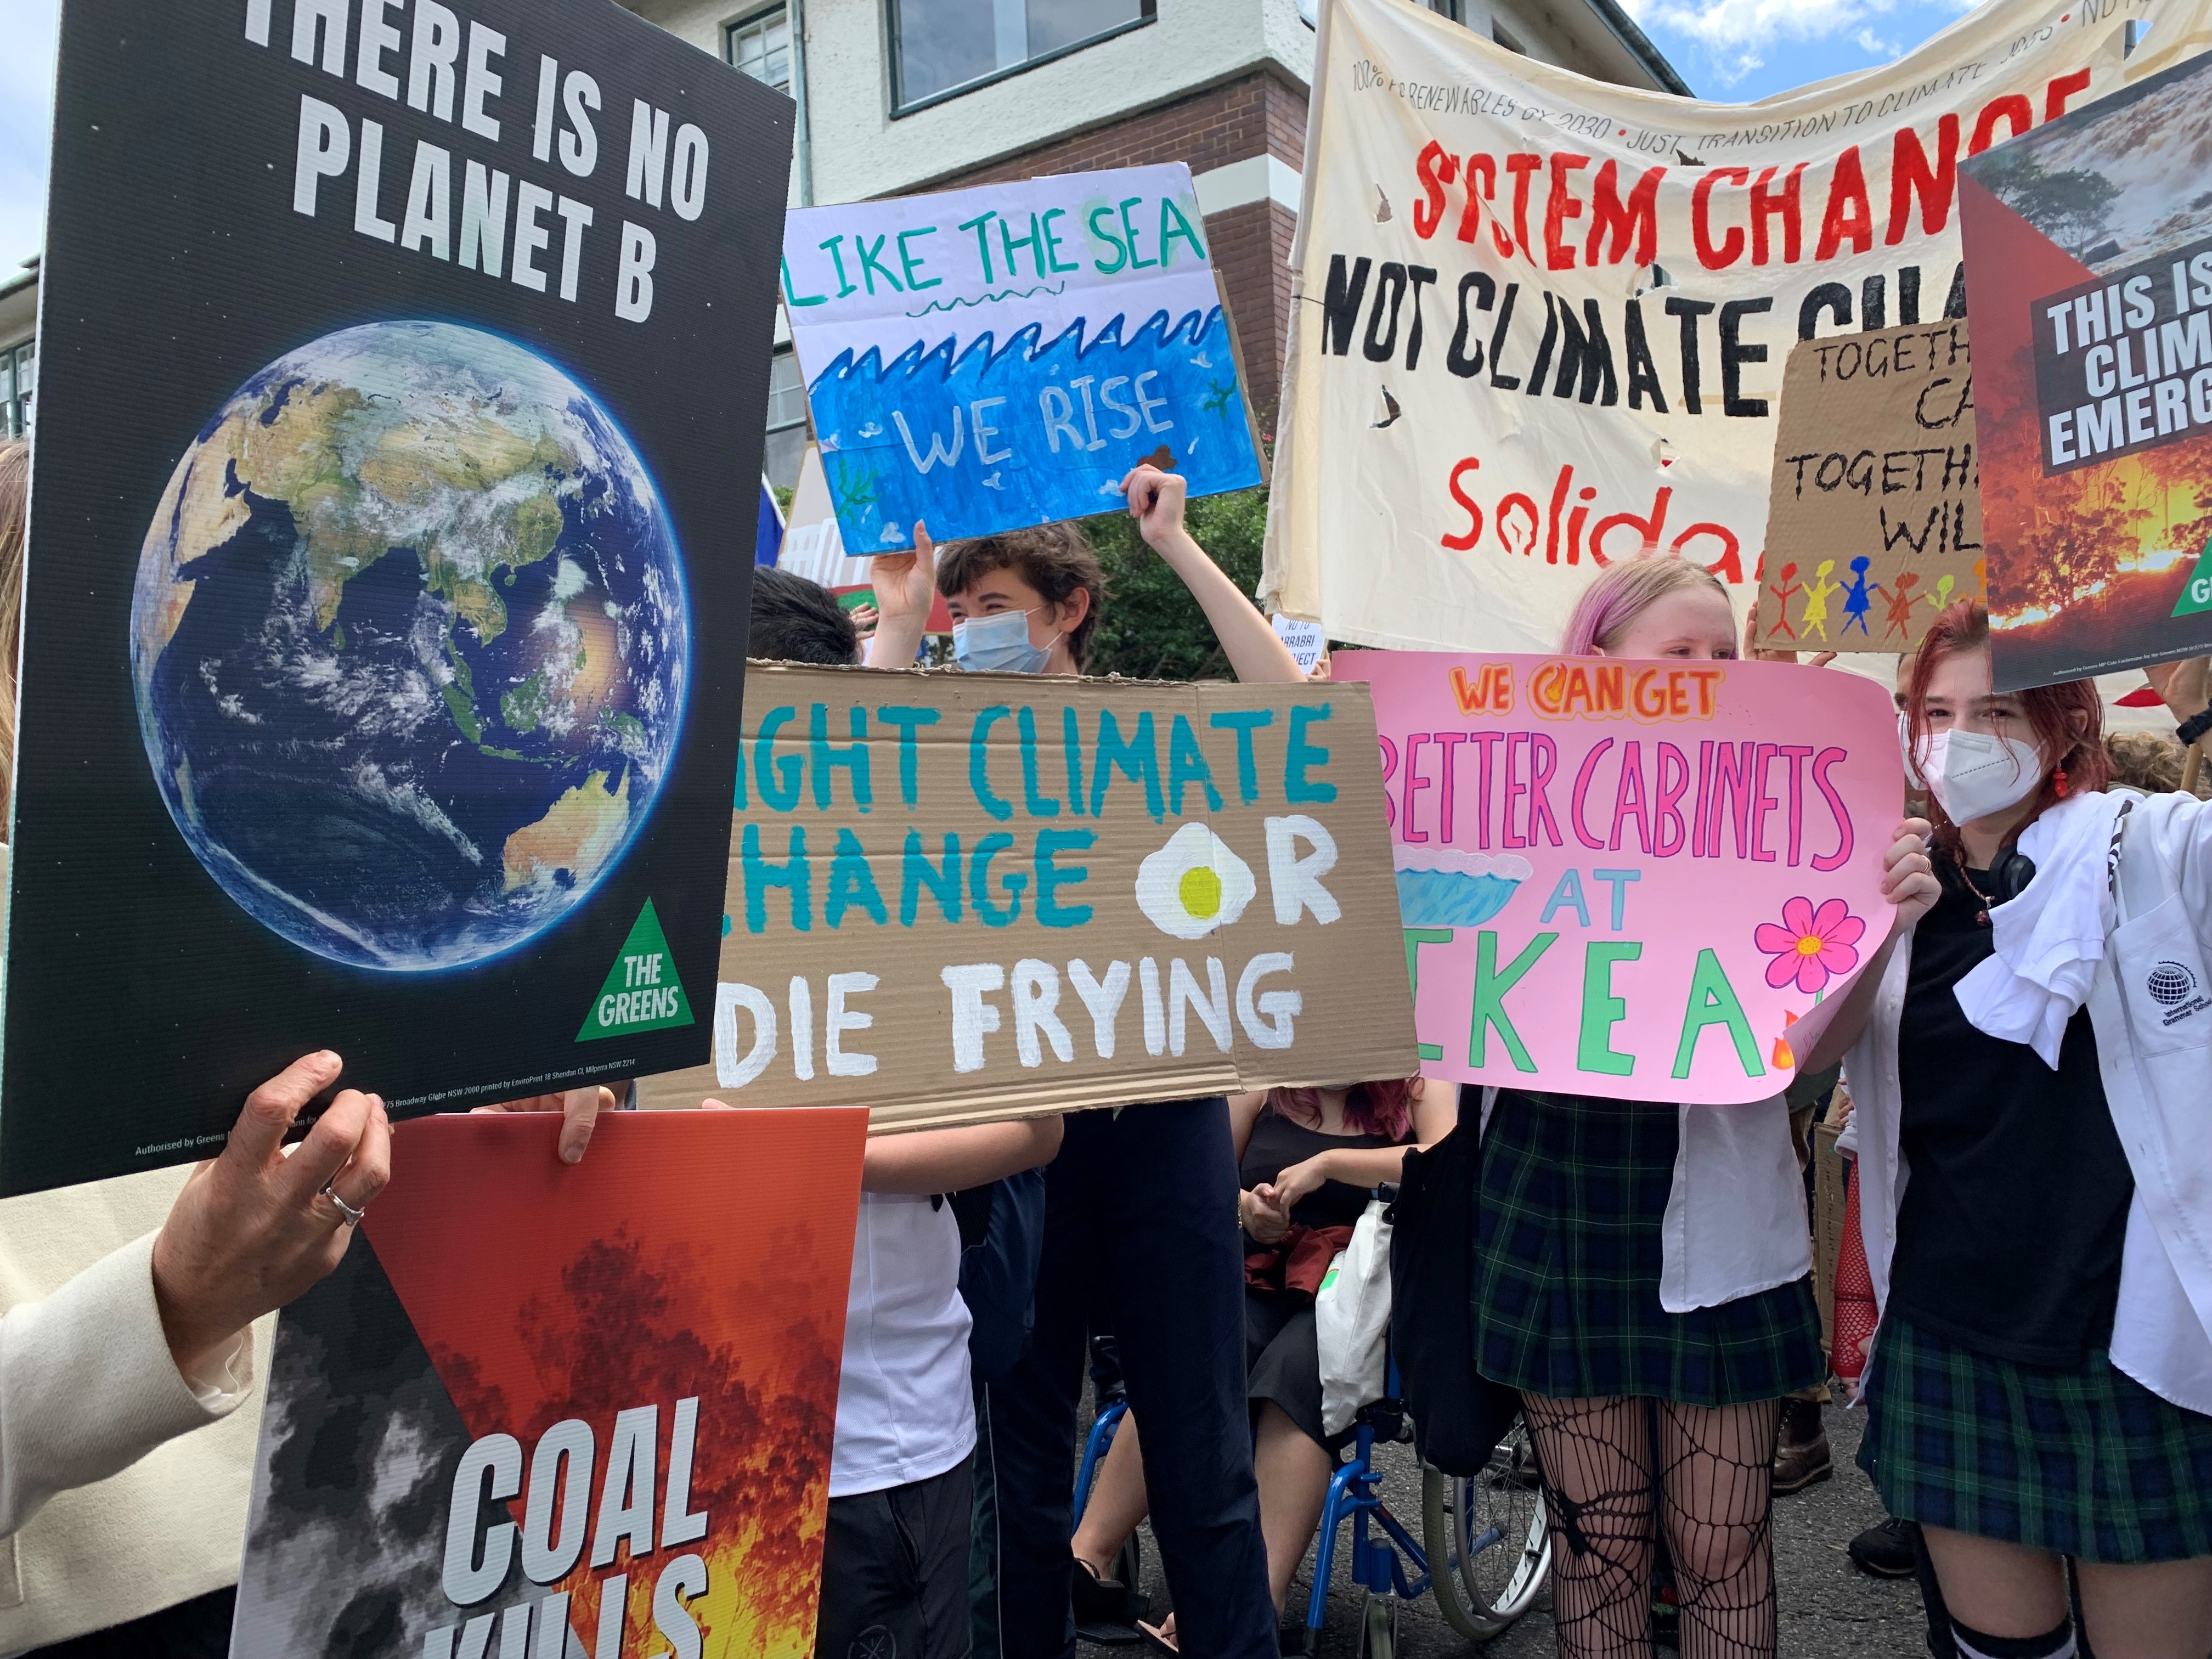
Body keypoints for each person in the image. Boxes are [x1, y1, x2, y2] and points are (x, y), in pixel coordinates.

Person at [0, 439, 602, 1657]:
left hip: (376, 1542)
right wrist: (172, 1304)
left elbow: (344, 1201)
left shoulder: (287, 896)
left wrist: (496, 1108)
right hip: (114, 1606)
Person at [863, 469, 1303, 1659]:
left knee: (1202, 1454)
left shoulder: (1153, 736)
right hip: (1014, 1145)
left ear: (1068, 609)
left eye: (995, 603)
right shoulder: (940, 747)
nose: (978, 632)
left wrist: (1178, 548)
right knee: (1022, 1462)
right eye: (964, 615)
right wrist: (902, 623)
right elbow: (827, 779)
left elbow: (1295, 717)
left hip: (1160, 1131)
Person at [1801, 602, 2212, 1659]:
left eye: (1993, 709)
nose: (1957, 738)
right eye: (1932, 711)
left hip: (2127, 1347)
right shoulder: (1883, 878)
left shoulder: (2149, 847)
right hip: (1950, 1330)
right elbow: (1794, 1062)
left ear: (2062, 724)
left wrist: (2199, 701)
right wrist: (1870, 930)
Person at [1471, 556, 1827, 1659]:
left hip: (1716, 1211)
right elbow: (1339, 762)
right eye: (1680, 655)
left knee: (1721, 1548)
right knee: (1599, 1546)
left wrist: (1878, 912)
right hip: (1556, 1190)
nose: (1710, 677)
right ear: (1597, 666)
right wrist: (1185, 555)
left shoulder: (1789, 814)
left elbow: (1818, 1051)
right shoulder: (1507, 797)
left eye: (1726, 656)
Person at [741, 561, 1064, 1659]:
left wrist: (825, 1157)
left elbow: (1032, 1126)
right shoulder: (615, 894)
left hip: (884, 1442)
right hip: (674, 1445)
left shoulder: (922, 894)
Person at [1066, 1079, 1457, 1651]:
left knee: (1295, 1375)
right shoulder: (1268, 1072)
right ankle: (1088, 1556)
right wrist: (1247, 1209)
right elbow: (1203, 1172)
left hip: (1361, 1288)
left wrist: (1327, 1164)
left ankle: (1256, 1598)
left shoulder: (1419, 1072)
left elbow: (1443, 1157)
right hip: (1262, 1268)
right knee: (1187, 1362)